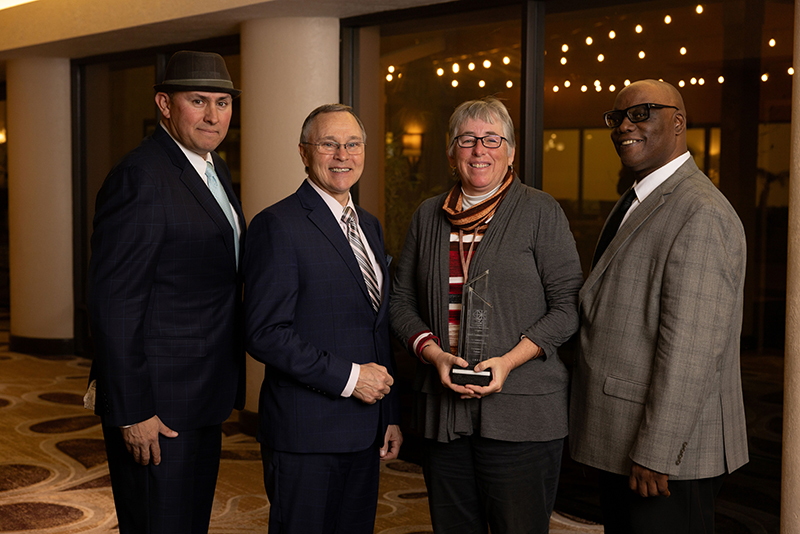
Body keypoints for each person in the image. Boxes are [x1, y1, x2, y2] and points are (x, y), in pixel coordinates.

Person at [390, 97, 583, 534]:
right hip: (444, 415)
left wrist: (510, 361)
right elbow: (400, 303)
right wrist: (436, 356)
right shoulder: (427, 216)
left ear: (511, 151)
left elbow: (568, 305)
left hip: (524, 416)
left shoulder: (540, 211)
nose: (480, 150)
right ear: (452, 151)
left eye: (492, 139)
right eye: (468, 140)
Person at [569, 79, 749, 533]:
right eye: (617, 117)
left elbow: (690, 349)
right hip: (625, 438)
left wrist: (656, 452)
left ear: (679, 122)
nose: (624, 126)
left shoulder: (700, 211)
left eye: (642, 113)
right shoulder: (639, 197)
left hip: (665, 459)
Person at [87, 50, 246, 533]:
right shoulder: (142, 176)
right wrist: (133, 410)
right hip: (156, 404)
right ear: (164, 104)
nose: (213, 115)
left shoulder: (212, 168)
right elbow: (115, 303)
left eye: (222, 102)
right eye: (198, 101)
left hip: (201, 392)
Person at [244, 103, 402, 534]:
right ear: (303, 152)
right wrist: (352, 379)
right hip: (306, 434)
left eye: (352, 144)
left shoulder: (369, 225)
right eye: (329, 144)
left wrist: (388, 413)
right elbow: (264, 333)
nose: (342, 155)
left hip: (365, 430)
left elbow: (376, 326)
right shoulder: (278, 224)